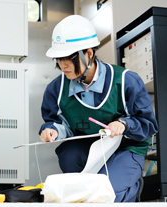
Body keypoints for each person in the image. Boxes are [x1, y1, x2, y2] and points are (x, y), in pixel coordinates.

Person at [39, 15, 158, 202]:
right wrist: (51, 130)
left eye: (68, 58)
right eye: (58, 59)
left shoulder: (126, 81)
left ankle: (130, 188)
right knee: (70, 159)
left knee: (107, 193)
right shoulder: (56, 89)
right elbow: (57, 122)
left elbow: (148, 123)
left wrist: (124, 124)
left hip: (125, 147)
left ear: (89, 53)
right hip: (88, 148)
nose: (62, 65)